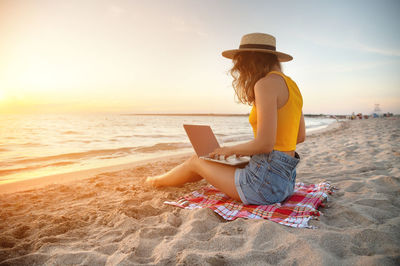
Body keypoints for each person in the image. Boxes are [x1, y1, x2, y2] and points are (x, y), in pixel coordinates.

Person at [146, 33, 305, 205]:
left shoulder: (265, 84)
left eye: (240, 64)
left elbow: (265, 144)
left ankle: (156, 181)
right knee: (212, 161)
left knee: (196, 161)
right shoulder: (291, 86)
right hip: (285, 184)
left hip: (262, 187)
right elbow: (299, 136)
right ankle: (160, 179)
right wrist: (246, 155)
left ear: (250, 61)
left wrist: (229, 150)